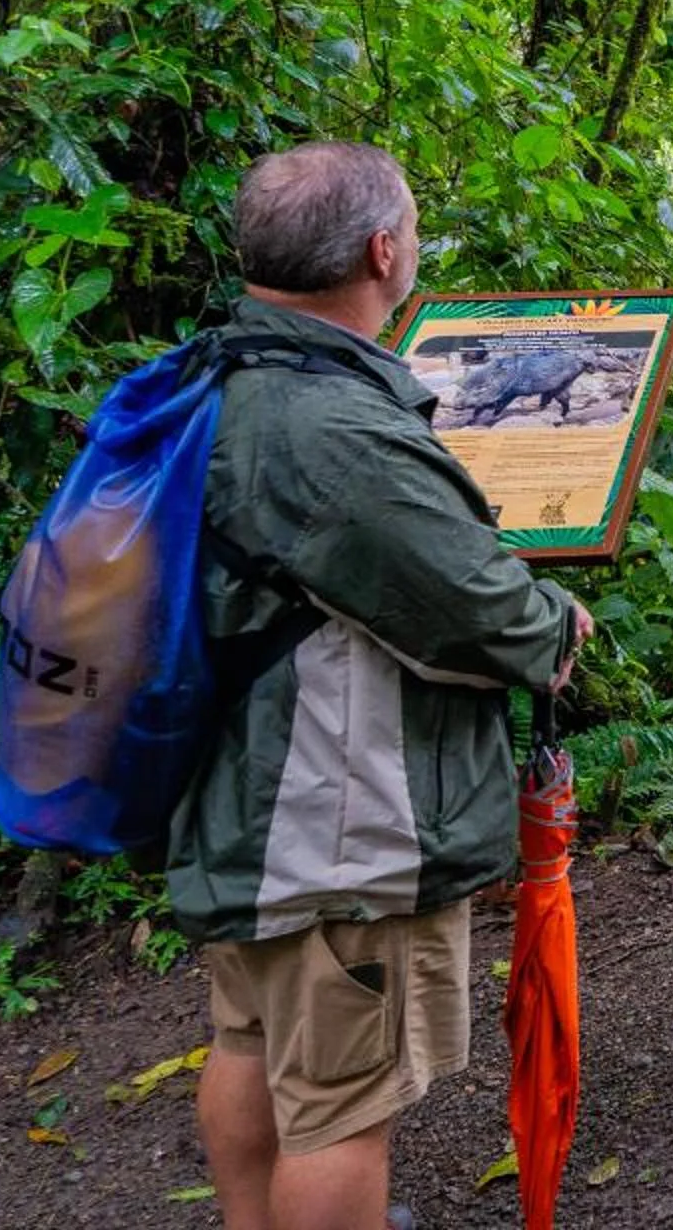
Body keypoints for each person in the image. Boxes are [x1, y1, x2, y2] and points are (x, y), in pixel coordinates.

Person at [171, 143, 593, 1230]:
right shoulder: (333, 429)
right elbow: (478, 615)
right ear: (382, 250)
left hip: (245, 796)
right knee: (345, 1104)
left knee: (254, 1039)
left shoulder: (222, 372)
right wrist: (555, 625)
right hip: (338, 821)